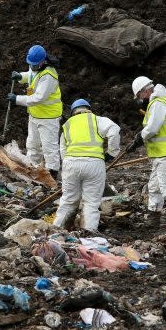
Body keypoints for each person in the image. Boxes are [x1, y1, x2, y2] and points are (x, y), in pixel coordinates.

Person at [53, 99, 120, 232]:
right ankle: (88, 233)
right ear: (88, 109)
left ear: (73, 112)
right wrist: (112, 153)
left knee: (68, 200)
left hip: (71, 163)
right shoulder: (97, 120)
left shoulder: (67, 124)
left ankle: (57, 231)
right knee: (91, 202)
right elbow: (114, 130)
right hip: (94, 164)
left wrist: (67, 164)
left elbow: (62, 150)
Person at [128, 76, 166, 227]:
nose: (140, 99)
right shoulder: (157, 102)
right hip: (159, 154)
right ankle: (154, 216)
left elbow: (153, 128)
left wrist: (140, 137)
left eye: (139, 96)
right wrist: (140, 137)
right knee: (154, 186)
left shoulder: (158, 103)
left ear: (145, 91)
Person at [8, 45, 62, 179]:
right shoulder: (35, 66)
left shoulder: (49, 76)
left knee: (49, 146)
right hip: (35, 115)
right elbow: (32, 76)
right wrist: (21, 76)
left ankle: (52, 172)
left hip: (48, 117)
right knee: (32, 144)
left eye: (34, 65)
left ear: (43, 62)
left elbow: (38, 98)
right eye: (30, 65)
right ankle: (33, 168)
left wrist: (17, 99)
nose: (32, 67)